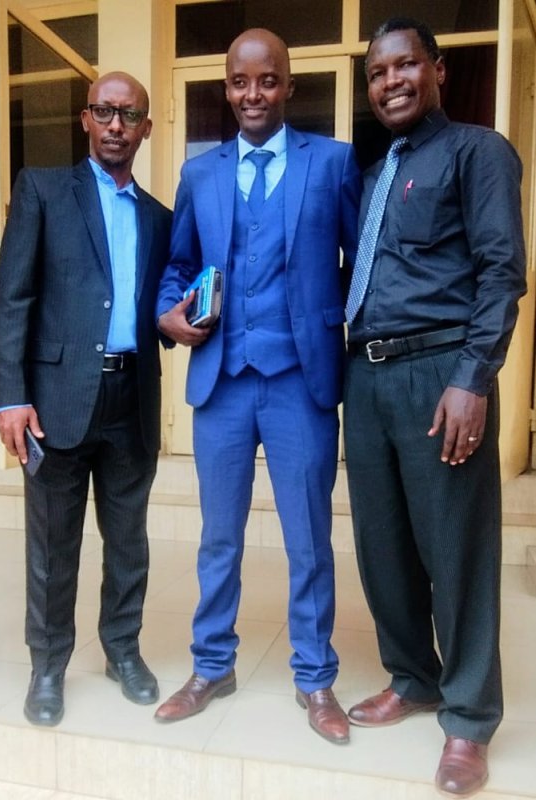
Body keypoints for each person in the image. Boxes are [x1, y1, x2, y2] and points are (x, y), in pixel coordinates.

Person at [154, 28, 361, 744]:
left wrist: (332, 319)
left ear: (289, 86)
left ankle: (315, 676)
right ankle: (212, 666)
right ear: (226, 89)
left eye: (267, 80)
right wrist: (169, 313)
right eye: (240, 82)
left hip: (302, 380)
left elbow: (360, 263)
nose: (253, 94)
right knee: (219, 538)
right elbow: (180, 265)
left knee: (308, 538)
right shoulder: (199, 174)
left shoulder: (332, 162)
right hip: (223, 380)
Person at [343, 18, 526, 796]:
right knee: (382, 546)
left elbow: (501, 272)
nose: (390, 81)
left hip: (438, 374)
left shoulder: (477, 152)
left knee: (456, 550)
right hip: (366, 376)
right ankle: (413, 677)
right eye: (377, 72)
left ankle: (469, 719)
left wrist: (471, 379)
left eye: (404, 65)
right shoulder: (375, 173)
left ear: (437, 70)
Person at [0, 71, 172, 727]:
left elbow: (155, 310)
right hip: (54, 401)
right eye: (105, 111)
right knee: (51, 544)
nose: (117, 124)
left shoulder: (158, 218)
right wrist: (10, 396)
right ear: (85, 119)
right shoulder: (43, 190)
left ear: (145, 128)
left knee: (128, 542)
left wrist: (181, 321)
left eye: (130, 115)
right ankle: (48, 666)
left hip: (131, 397)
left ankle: (123, 650)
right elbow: (12, 299)